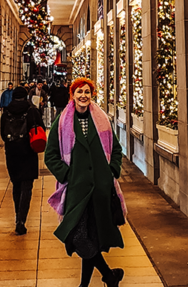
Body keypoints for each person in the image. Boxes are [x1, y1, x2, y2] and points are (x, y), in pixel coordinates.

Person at [45, 78, 125, 287]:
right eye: (80, 91)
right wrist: (67, 175)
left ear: (91, 95)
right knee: (79, 237)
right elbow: (50, 155)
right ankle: (109, 275)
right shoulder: (62, 122)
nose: (84, 96)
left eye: (87, 92)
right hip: (77, 192)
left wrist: (111, 171)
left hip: (100, 191)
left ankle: (85, 285)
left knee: (92, 239)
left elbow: (116, 150)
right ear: (73, 94)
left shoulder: (101, 120)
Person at [0, 86, 45, 236]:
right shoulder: (31, 110)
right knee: (27, 187)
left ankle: (17, 216)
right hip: (28, 153)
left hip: (12, 154)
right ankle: (21, 220)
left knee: (16, 185)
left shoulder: (6, 112)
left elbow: (2, 133)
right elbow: (41, 128)